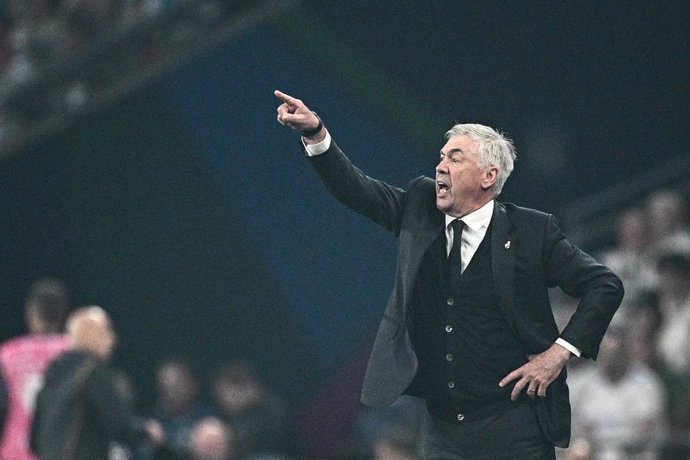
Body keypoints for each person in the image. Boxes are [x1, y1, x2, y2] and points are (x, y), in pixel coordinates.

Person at [274, 90, 624, 459]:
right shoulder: (419, 208)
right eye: (441, 157)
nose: (440, 166)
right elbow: (355, 189)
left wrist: (559, 353)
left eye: (455, 159)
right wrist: (316, 134)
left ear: (489, 176)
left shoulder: (532, 232)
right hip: (442, 428)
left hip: (514, 423)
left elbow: (604, 285)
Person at [29, 306, 164, 459]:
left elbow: (34, 442)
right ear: (95, 336)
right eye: (107, 332)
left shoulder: (53, 374)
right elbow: (120, 427)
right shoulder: (92, 372)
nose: (113, 340)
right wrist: (146, 431)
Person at [0, 278, 72, 460]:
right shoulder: (75, 354)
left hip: (14, 453)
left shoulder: (7, 355)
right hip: (64, 452)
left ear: (32, 312)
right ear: (63, 314)